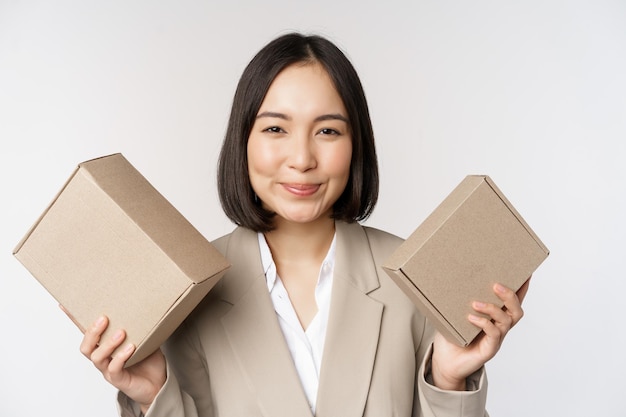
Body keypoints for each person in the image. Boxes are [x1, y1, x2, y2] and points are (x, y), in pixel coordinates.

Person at [78, 32, 529, 417]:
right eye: (276, 129)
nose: (302, 159)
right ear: (244, 141)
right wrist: (153, 393)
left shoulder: (415, 280)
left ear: (357, 145)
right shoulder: (185, 292)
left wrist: (449, 381)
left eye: (328, 131)